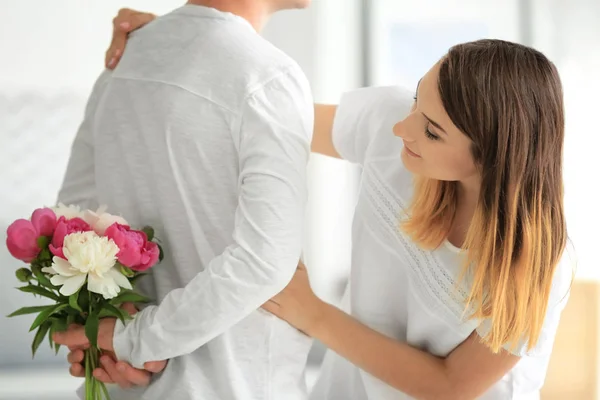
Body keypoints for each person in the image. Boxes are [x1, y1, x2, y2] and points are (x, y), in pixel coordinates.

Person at [72, 11, 574, 400]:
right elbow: (258, 109)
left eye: (432, 130)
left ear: (493, 158)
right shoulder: (392, 127)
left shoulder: (538, 262)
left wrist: (313, 314)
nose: (405, 128)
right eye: (417, 103)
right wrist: (187, 39)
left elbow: (450, 386)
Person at [52, 1, 315, 399]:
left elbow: (74, 218)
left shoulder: (126, 60)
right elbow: (265, 261)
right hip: (234, 385)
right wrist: (132, 341)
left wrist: (115, 335)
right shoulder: (268, 75)